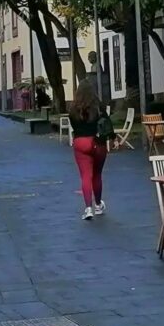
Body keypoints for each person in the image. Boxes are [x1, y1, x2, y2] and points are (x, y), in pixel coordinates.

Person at [68, 78, 111, 220]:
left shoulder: (73, 108)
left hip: (81, 143)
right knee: (97, 175)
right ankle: (98, 205)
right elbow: (106, 123)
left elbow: (74, 126)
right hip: (98, 143)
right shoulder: (98, 107)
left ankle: (88, 209)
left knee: (86, 176)